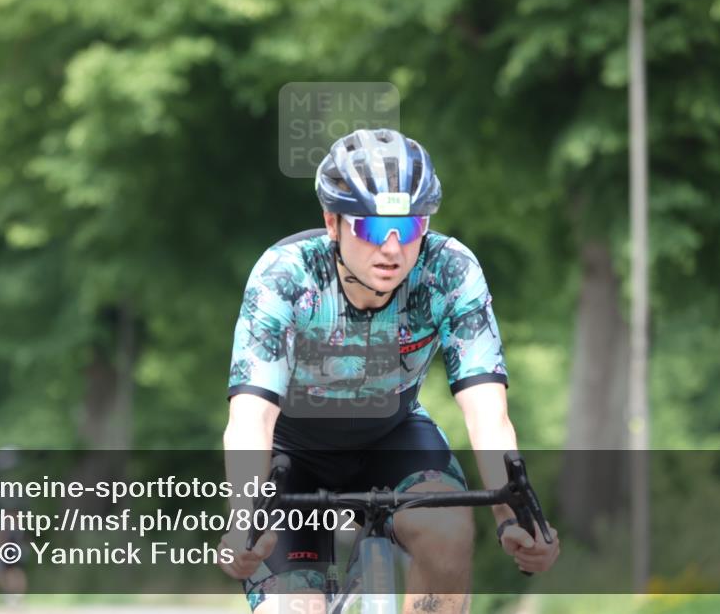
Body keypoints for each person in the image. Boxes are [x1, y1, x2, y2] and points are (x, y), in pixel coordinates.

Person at [218, 129, 559, 614]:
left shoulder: (449, 271)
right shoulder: (286, 274)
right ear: (332, 223)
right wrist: (242, 516)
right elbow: (251, 417)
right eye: (374, 229)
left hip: (393, 436)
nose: (393, 249)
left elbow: (488, 416)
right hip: (291, 458)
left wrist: (513, 516)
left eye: (412, 226)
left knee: (449, 531)